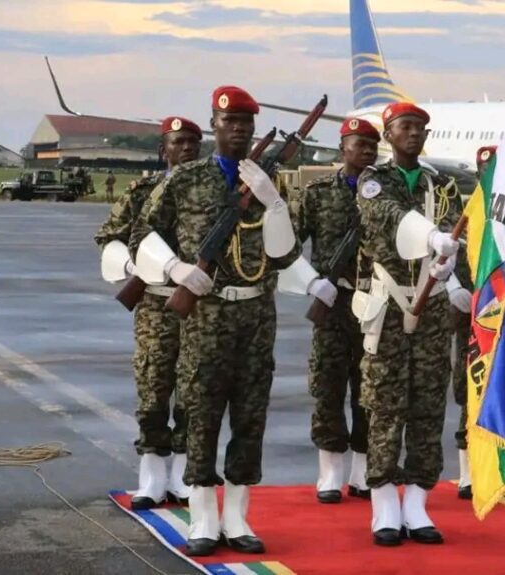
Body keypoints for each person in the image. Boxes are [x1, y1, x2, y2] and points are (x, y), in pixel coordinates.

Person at [132, 86, 301, 557]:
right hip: (206, 315)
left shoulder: (269, 179)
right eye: (231, 122)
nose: (239, 129)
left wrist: (274, 203)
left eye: (246, 123)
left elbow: (286, 253)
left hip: (256, 316)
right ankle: (204, 516)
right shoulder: (186, 178)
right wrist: (175, 269)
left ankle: (238, 516)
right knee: (202, 415)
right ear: (214, 125)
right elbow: (143, 232)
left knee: (250, 417)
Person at [355, 102, 468, 546]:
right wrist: (430, 237)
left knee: (428, 405)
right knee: (385, 404)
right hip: (390, 303)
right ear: (388, 134)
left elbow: (457, 234)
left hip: (432, 306)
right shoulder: (373, 180)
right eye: (405, 127)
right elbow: (383, 214)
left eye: (420, 128)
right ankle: (384, 502)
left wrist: (452, 271)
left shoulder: (440, 185)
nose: (414, 134)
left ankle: (418, 501)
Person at [95, 115, 202, 511]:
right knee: (154, 386)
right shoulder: (142, 192)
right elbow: (109, 237)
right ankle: (152, 474)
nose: (186, 147)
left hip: (201, 305)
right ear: (163, 150)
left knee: (194, 389)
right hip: (155, 303)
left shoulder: (214, 193)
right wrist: (134, 266)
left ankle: (184, 474)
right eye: (178, 142)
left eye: (193, 142)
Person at [287, 118, 380, 503]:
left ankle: (362, 470)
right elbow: (290, 245)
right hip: (333, 301)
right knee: (328, 385)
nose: (367, 151)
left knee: (370, 389)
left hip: (375, 303)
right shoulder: (318, 193)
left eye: (372, 145)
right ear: (343, 148)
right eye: (359, 144)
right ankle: (329, 471)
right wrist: (312, 282)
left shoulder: (385, 193)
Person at [452, 145, 505, 501]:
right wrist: (454, 290)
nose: (489, 175)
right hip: (472, 312)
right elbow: (449, 256)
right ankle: (467, 474)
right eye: (484, 169)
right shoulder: (466, 211)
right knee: (471, 388)